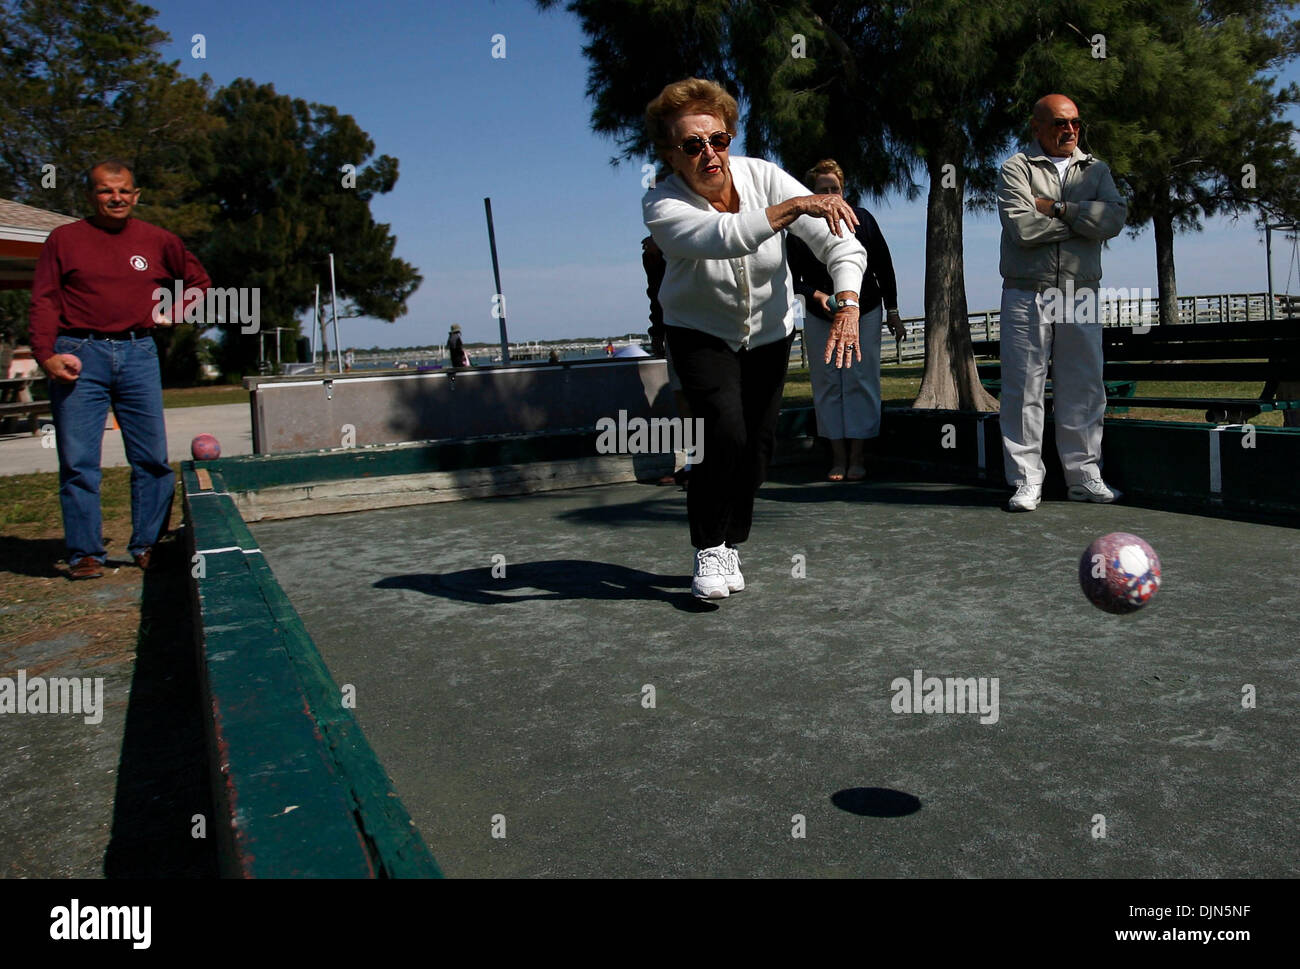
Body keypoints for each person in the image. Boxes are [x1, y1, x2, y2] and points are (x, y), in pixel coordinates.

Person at [642, 78, 867, 600]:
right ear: (671, 155)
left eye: (717, 140)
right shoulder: (662, 204)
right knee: (723, 433)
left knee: (759, 450)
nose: (709, 154)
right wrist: (793, 208)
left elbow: (844, 247)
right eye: (692, 145)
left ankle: (731, 541)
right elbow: (721, 238)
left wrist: (848, 304)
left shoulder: (763, 175)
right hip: (699, 332)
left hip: (769, 332)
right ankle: (709, 547)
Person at [30, 159, 212, 578]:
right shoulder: (64, 240)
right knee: (78, 461)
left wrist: (177, 309)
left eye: (124, 191)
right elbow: (43, 300)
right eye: (106, 191)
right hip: (78, 352)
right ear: (91, 195)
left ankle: (148, 544)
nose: (116, 198)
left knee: (151, 458)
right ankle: (85, 553)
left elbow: (199, 282)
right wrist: (46, 355)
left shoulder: (158, 240)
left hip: (138, 352)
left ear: (136, 195)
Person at [996, 94, 1127, 511]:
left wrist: (1057, 208)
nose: (1068, 130)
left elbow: (1115, 220)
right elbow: (1022, 229)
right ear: (1036, 128)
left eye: (1073, 123)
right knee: (1023, 387)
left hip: (1080, 292)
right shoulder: (1014, 168)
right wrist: (1084, 223)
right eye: (1058, 123)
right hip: (1025, 291)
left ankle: (1084, 475)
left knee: (1085, 386)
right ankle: (1025, 480)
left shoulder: (1098, 170)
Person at [788, 159, 906, 481]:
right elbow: (792, 278)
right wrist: (817, 297)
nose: (830, 195)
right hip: (820, 315)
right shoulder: (798, 229)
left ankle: (858, 456)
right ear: (812, 193)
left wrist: (893, 311)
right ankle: (837, 457)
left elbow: (883, 265)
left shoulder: (863, 220)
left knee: (860, 381)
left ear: (843, 190)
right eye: (822, 190)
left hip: (864, 310)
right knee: (827, 384)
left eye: (834, 189)